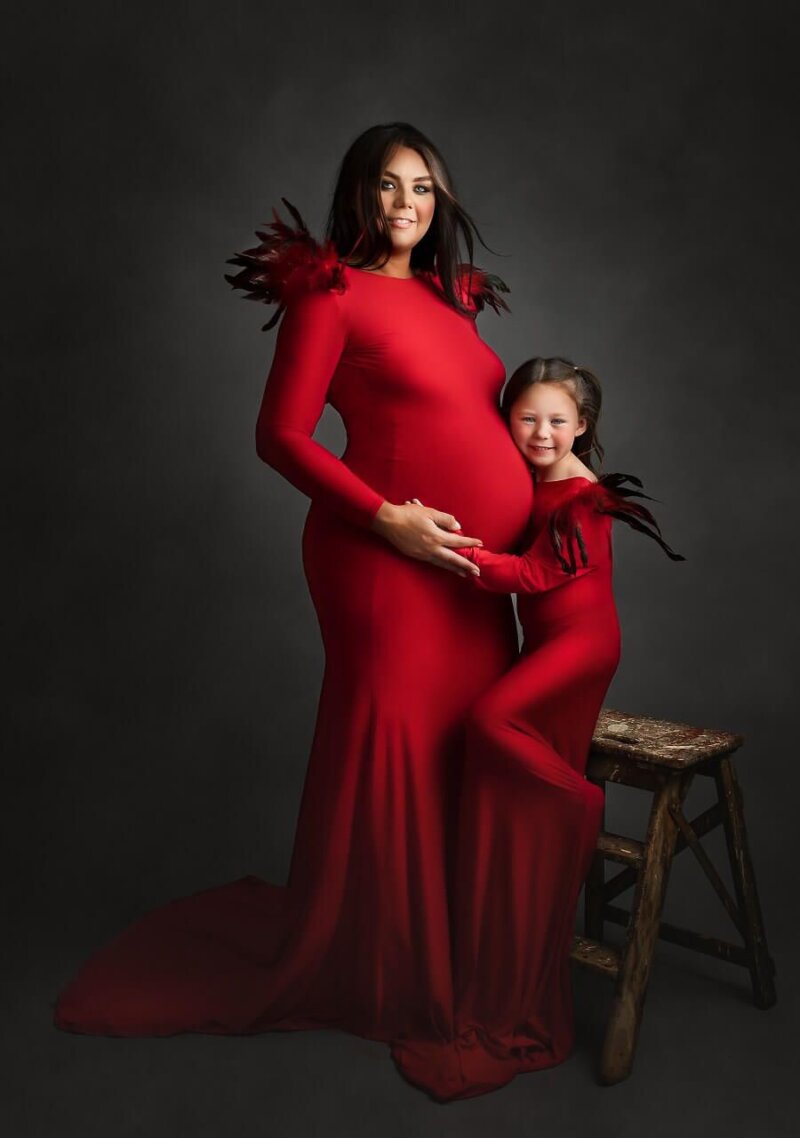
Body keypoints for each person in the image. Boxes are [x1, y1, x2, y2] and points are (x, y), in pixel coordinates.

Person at [53, 123, 537, 1092]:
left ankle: (438, 945)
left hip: (469, 574)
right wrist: (387, 519)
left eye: (423, 191)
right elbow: (280, 435)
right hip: (381, 560)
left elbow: (468, 417)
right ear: (355, 197)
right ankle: (392, 973)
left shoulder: (453, 302)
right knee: (396, 738)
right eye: (386, 187)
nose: (405, 206)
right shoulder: (330, 290)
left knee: (453, 742)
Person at [391, 357, 683, 1099]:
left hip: (582, 649)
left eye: (557, 420)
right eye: (526, 418)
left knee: (491, 721)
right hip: (542, 644)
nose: (542, 432)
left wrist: (449, 552)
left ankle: (577, 801)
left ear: (583, 425)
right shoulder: (536, 480)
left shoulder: (582, 497)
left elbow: (530, 577)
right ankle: (499, 950)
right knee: (497, 769)